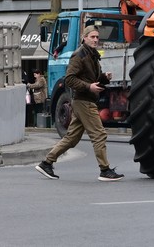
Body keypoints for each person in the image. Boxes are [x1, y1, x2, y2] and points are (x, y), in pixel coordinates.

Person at [36, 24, 124, 183]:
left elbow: (90, 79)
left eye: (97, 37)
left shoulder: (92, 55)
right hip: (83, 101)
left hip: (85, 99)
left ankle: (46, 163)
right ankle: (105, 170)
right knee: (99, 134)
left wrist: (104, 78)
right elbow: (69, 79)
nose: (95, 40)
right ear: (84, 38)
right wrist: (88, 87)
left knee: (72, 138)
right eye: (92, 37)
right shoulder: (80, 55)